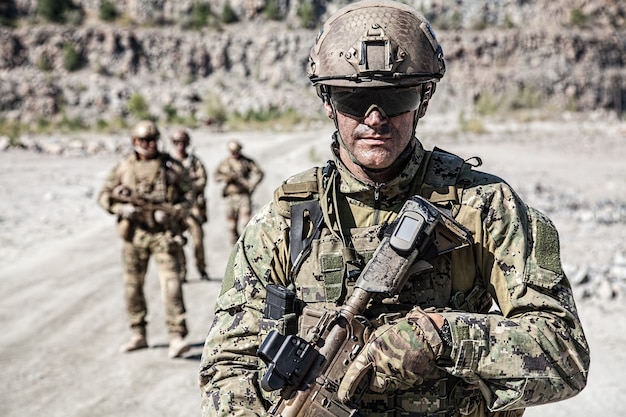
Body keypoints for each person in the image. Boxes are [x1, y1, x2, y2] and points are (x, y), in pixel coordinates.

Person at [199, 1, 590, 416]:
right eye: (354, 100)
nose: (375, 118)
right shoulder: (284, 221)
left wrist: (443, 338)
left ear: (424, 98)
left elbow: (565, 355)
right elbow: (227, 368)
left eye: (394, 97)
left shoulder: (485, 207)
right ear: (327, 101)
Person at [98, 120, 192, 359]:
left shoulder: (172, 167)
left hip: (163, 235)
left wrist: (172, 213)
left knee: (171, 285)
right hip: (135, 234)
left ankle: (176, 336)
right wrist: (120, 208)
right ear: (135, 142)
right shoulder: (123, 167)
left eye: (152, 140)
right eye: (143, 141)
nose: (149, 145)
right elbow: (104, 195)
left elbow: (189, 197)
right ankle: (138, 333)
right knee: (132, 287)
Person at [170, 129, 210, 282]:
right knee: (177, 242)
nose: (180, 146)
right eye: (177, 143)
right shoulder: (169, 162)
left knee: (198, 241)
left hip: (193, 207)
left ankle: (201, 268)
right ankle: (182, 272)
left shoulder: (194, 162)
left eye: (183, 143)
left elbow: (202, 181)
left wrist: (188, 183)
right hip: (175, 208)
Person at [213, 139, 264, 244]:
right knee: (231, 226)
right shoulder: (225, 163)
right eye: (232, 151)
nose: (234, 154)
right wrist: (226, 178)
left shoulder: (246, 162)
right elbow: (216, 177)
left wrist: (253, 184)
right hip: (230, 196)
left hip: (243, 195)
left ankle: (247, 244)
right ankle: (236, 245)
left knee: (245, 223)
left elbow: (259, 173)